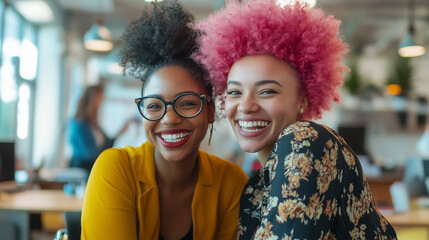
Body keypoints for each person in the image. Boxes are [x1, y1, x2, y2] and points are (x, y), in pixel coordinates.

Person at [194, 0, 397, 239]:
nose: (246, 106)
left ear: (303, 100)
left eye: (267, 91)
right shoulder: (253, 190)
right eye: (235, 92)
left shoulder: (307, 141)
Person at [81, 1, 248, 240]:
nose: (169, 118)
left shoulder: (230, 183)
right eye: (154, 106)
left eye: (188, 103)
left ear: (210, 110)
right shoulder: (115, 170)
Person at [68, 84, 128, 173]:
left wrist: (121, 132)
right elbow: (88, 154)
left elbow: (107, 143)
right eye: (98, 98)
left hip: (93, 169)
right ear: (90, 99)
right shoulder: (78, 123)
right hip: (82, 172)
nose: (100, 102)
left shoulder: (94, 124)